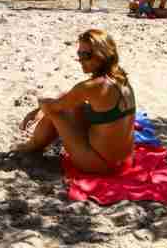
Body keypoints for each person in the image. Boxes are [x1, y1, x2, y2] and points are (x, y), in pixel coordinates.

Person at [15, 28, 136, 173]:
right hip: (125, 162)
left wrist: (39, 107)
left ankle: (31, 146)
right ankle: (34, 141)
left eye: (86, 54)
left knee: (55, 113)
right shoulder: (119, 77)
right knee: (70, 103)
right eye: (79, 54)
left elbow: (53, 107)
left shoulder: (91, 87)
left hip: (100, 164)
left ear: (102, 54)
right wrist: (40, 110)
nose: (80, 59)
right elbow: (68, 98)